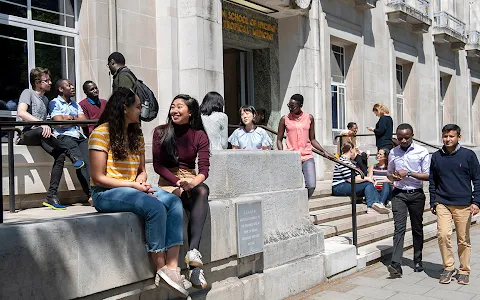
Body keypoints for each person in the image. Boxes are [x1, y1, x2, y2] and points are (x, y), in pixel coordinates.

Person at [89, 88, 188, 298]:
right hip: (106, 193)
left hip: (134, 189)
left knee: (174, 202)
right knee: (154, 206)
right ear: (124, 108)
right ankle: (161, 269)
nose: (140, 109)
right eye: (137, 106)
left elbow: (142, 170)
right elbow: (98, 177)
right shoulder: (100, 133)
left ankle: (172, 268)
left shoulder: (137, 133)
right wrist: (133, 186)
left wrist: (141, 180)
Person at [152, 94, 210, 290]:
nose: (174, 110)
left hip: (191, 180)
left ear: (190, 111)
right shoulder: (160, 132)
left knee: (202, 191)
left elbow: (204, 170)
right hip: (169, 181)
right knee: (184, 199)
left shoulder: (199, 135)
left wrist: (191, 184)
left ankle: (193, 252)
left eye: (180, 107)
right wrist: (178, 182)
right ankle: (194, 268)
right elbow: (158, 166)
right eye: (172, 107)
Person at [17, 68, 83, 210]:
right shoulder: (27, 93)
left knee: (59, 154)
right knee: (42, 130)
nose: (50, 83)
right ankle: (72, 154)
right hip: (27, 134)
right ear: (37, 82)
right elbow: (21, 112)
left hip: (42, 134)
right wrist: (41, 124)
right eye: (46, 80)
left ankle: (51, 196)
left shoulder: (46, 99)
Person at [429, 124, 480, 285]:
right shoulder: (436, 156)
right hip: (443, 202)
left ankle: (464, 270)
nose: (448, 139)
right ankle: (448, 267)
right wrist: (433, 201)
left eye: (451, 136)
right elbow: (432, 181)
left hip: (464, 203)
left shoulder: (469, 155)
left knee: (463, 239)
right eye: (445, 136)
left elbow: (477, 179)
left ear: (459, 137)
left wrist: (477, 201)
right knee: (443, 235)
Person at [386, 123, 430, 277]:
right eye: (400, 138)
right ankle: (396, 264)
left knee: (417, 228)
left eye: (406, 137)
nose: (403, 140)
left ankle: (418, 260)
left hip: (416, 194)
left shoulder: (421, 151)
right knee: (399, 228)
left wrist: (409, 173)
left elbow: (428, 175)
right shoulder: (393, 152)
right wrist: (394, 176)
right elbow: (389, 173)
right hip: (399, 194)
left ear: (412, 135)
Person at [277, 94, 335, 199]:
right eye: (289, 105)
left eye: (293, 106)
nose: (290, 108)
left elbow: (312, 139)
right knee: (293, 187)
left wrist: (324, 151)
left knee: (311, 185)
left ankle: (303, 203)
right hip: (291, 156)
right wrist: (282, 154)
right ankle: (296, 207)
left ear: (301, 105)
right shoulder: (284, 119)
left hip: (307, 156)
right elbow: (279, 140)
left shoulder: (309, 118)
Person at [48, 79, 91, 200]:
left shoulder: (75, 104)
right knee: (81, 163)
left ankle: (96, 192)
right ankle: (90, 194)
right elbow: (59, 123)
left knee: (90, 162)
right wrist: (74, 118)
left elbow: (84, 123)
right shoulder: (54, 103)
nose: (72, 87)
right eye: (69, 85)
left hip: (79, 136)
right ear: (61, 89)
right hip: (64, 136)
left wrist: (69, 118)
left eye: (72, 85)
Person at [332, 142, 390, 214]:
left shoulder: (348, 161)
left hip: (345, 184)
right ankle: (371, 206)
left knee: (369, 184)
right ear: (351, 150)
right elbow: (350, 179)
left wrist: (366, 178)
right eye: (355, 150)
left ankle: (377, 204)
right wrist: (366, 178)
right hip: (339, 186)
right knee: (368, 183)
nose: (355, 152)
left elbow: (356, 176)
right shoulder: (343, 161)